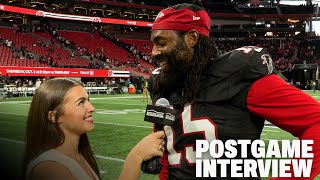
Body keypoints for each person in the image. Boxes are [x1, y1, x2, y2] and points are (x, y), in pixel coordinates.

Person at [148, 3, 320, 179]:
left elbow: (317, 122)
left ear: (192, 38)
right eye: (153, 44)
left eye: (161, 43)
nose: (153, 53)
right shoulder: (160, 83)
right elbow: (165, 153)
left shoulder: (238, 72)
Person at [24, 78, 165, 180]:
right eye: (81, 103)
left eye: (88, 100)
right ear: (54, 116)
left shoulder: (78, 156)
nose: (92, 108)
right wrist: (135, 157)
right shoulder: (49, 168)